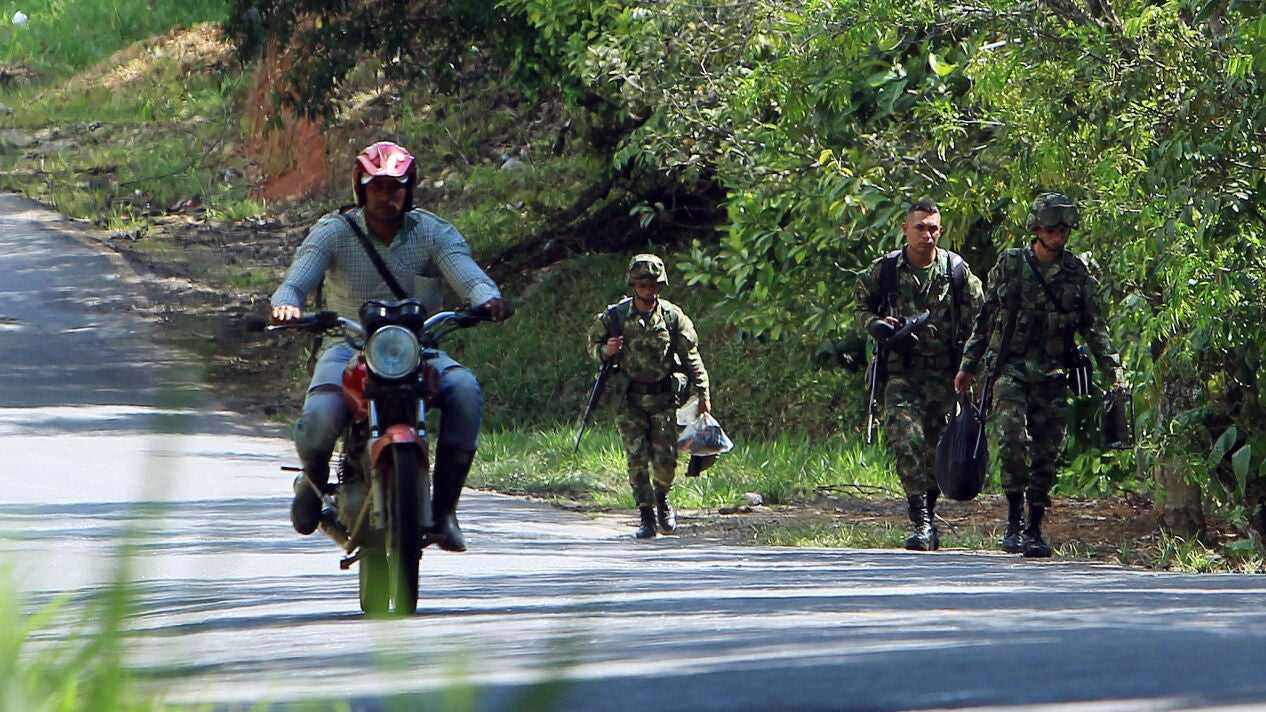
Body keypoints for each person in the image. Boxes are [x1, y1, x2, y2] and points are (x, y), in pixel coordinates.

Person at [270, 140, 514, 552]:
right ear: (360, 188)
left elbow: (469, 276)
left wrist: (487, 299)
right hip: (348, 347)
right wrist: (287, 306)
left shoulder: (434, 232)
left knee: (465, 390)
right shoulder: (334, 232)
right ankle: (313, 484)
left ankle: (445, 510)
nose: (387, 196)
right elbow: (295, 282)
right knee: (319, 418)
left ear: (410, 188)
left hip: (418, 349)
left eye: (396, 186)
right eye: (377, 186)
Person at [954, 192, 1125, 558]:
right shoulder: (1011, 264)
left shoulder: (1076, 273)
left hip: (1054, 374)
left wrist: (1113, 371)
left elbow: (1095, 327)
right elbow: (986, 319)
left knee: (1048, 452)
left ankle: (1034, 525)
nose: (1058, 236)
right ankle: (1014, 519)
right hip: (1010, 370)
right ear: (1036, 229)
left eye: (1064, 230)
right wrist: (968, 366)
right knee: (1012, 439)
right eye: (1051, 229)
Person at [854, 200, 983, 551]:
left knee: (935, 450)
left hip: (945, 376)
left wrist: (971, 367)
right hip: (902, 374)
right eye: (920, 227)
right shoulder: (886, 270)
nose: (927, 235)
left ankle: (930, 514)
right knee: (905, 439)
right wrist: (876, 325)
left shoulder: (955, 271)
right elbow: (860, 306)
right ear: (905, 230)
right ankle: (921, 520)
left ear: (940, 231)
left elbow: (981, 319)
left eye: (933, 228)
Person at [587, 254, 711, 539]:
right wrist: (606, 350)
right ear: (633, 285)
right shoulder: (615, 317)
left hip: (663, 399)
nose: (648, 290)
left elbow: (691, 357)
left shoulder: (672, 317)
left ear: (660, 286)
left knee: (666, 459)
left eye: (653, 285)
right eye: (642, 285)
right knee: (636, 458)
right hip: (629, 399)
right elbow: (592, 346)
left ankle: (662, 499)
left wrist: (703, 392)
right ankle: (645, 514)